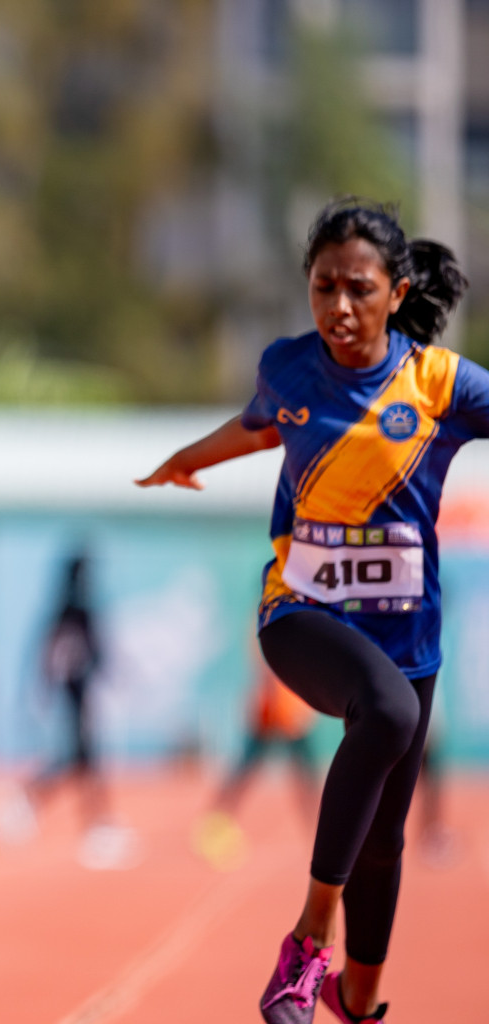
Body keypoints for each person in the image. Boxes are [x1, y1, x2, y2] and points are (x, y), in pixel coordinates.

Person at [137, 199, 484, 1024]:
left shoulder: (439, 383)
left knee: (382, 842)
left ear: (397, 293)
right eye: (323, 287)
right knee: (391, 712)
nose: (338, 307)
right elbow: (262, 427)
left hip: (406, 634)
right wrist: (188, 458)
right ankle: (304, 942)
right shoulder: (289, 368)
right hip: (301, 613)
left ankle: (356, 1001)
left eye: (358, 289)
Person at [0, 553, 138, 869]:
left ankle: (38, 805)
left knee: (81, 758)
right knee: (82, 757)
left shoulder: (71, 611)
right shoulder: (75, 612)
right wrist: (42, 690)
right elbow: (60, 654)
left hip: (77, 694)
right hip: (72, 695)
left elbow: (88, 653)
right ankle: (92, 825)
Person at [195, 657, 319, 871]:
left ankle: (320, 837)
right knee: (246, 772)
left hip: (289, 711)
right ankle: (213, 827)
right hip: (271, 711)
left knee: (305, 779)